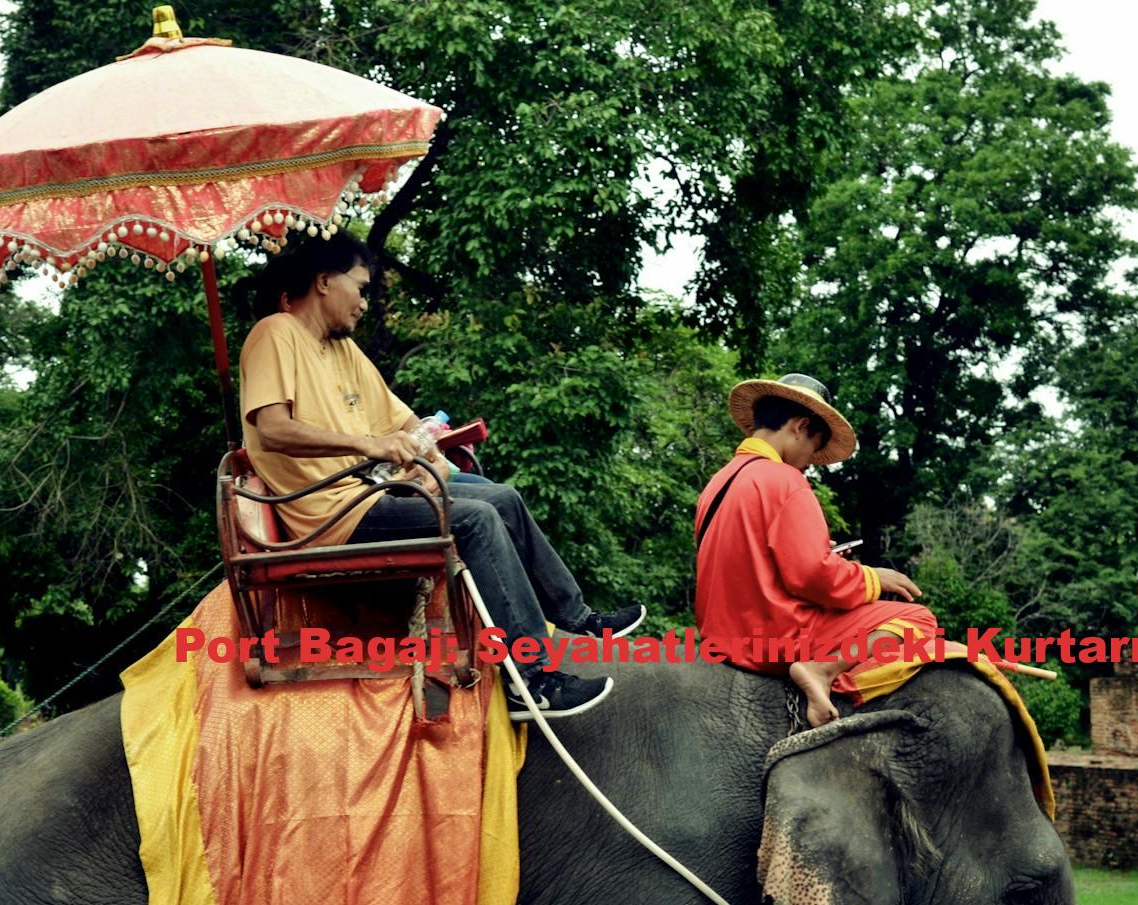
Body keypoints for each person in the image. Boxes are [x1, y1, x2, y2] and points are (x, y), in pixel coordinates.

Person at [237, 233, 643, 719]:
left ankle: (577, 615)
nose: (365, 303)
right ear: (323, 282)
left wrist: (436, 468)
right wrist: (369, 445)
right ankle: (531, 681)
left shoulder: (343, 351)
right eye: (360, 288)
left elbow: (405, 424)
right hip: (334, 511)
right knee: (475, 520)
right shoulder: (275, 333)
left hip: (377, 487)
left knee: (504, 498)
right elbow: (273, 427)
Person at [694, 373, 937, 727]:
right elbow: (811, 576)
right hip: (773, 638)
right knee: (918, 620)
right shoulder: (785, 480)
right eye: (814, 446)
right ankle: (821, 672)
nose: (811, 462)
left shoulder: (718, 483)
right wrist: (872, 577)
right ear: (800, 426)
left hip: (722, 638)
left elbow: (748, 564)